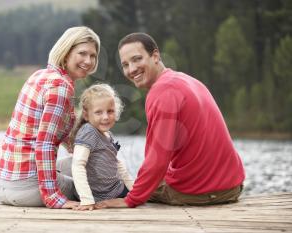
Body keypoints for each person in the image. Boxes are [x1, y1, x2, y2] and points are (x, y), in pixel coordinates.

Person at [96, 32, 245, 209]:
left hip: (203, 192)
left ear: (156, 56)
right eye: (125, 65)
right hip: (233, 186)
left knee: (125, 189)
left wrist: (131, 200)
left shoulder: (161, 92)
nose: (131, 69)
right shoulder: (186, 80)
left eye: (137, 59)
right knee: (146, 182)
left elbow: (157, 160)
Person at [0, 26, 100, 209]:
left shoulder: (39, 75)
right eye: (82, 53)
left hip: (2, 184)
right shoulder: (61, 87)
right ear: (66, 53)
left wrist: (84, 149)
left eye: (93, 56)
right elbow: (45, 144)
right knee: (97, 188)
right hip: (26, 187)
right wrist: (53, 198)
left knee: (88, 162)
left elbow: (56, 133)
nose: (88, 61)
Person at [70, 84, 134, 211]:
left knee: (144, 194)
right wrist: (86, 199)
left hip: (113, 190)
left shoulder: (107, 134)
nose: (105, 117)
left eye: (110, 111)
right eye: (98, 112)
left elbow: (116, 163)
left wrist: (133, 188)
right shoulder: (88, 131)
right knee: (146, 195)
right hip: (96, 195)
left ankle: (120, 198)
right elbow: (78, 165)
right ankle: (114, 201)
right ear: (86, 115)